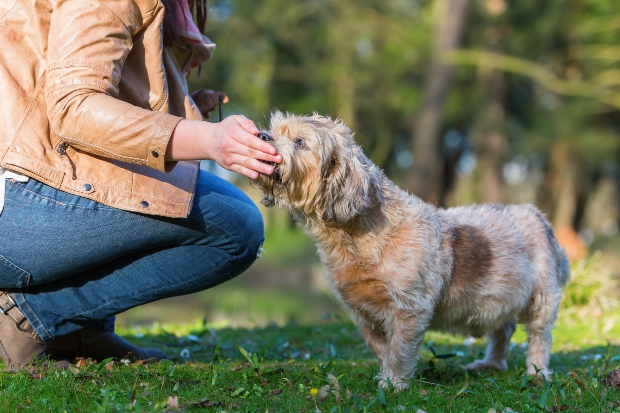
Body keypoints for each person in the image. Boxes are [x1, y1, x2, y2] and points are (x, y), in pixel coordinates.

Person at [0, 0, 281, 371]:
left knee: (197, 203)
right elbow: (74, 105)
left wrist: (189, 110)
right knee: (232, 224)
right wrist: (208, 139)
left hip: (24, 187)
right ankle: (25, 316)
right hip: (15, 198)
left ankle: (77, 329)